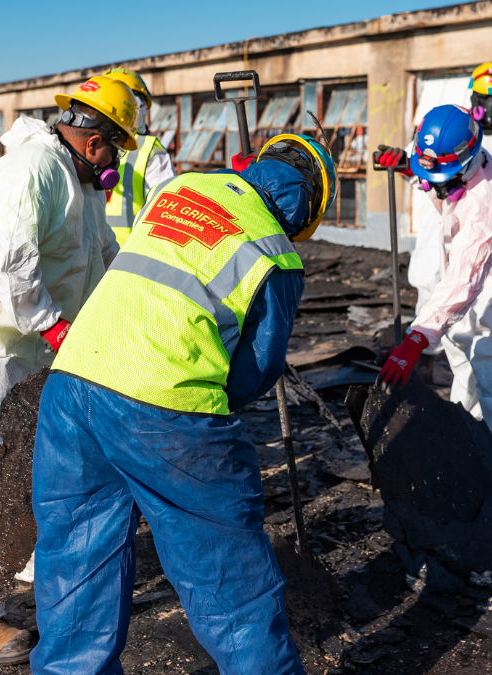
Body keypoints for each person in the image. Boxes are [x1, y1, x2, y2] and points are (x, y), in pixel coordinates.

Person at [29, 133, 337, 674]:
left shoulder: (182, 188)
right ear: (305, 212)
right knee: (230, 581)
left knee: (76, 564)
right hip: (165, 412)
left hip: (74, 382)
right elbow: (254, 372)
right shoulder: (277, 253)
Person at [0, 75, 137, 665]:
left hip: (35, 349)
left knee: (25, 468)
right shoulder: (32, 169)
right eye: (118, 145)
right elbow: (10, 257)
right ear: (96, 142)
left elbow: (100, 258)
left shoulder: (83, 183)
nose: (118, 159)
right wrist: (53, 325)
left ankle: (17, 566)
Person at [377, 104, 492, 470]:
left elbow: (465, 279)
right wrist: (409, 166)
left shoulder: (485, 206)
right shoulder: (461, 168)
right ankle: (469, 452)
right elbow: (435, 177)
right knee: (466, 375)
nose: (432, 185)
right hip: (473, 288)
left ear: (466, 163)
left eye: (439, 178)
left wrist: (417, 337)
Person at [401, 62, 492, 318]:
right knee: (430, 292)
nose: (490, 105)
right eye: (484, 98)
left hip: (483, 232)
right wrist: (403, 165)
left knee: (475, 301)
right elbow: (419, 163)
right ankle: (425, 353)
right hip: (440, 224)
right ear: (473, 97)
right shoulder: (451, 128)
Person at [101, 67, 178, 245]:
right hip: (128, 260)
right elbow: (167, 218)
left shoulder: (84, 144)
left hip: (86, 259)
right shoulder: (150, 149)